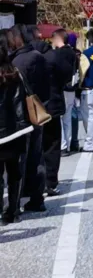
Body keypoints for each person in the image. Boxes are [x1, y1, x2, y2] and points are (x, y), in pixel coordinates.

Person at [7, 25, 50, 212]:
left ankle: (16, 202)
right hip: (36, 111)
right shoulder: (38, 56)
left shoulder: (15, 62)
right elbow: (47, 86)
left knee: (20, 160)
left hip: (19, 117)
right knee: (37, 156)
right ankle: (37, 197)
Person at [0, 49, 33, 225]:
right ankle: (13, 211)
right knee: (14, 173)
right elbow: (25, 97)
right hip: (16, 130)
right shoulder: (15, 73)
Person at [42, 29, 75, 196]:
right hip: (54, 102)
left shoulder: (41, 57)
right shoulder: (60, 56)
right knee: (53, 142)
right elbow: (67, 75)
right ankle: (50, 182)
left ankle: (37, 183)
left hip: (35, 106)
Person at [62, 33, 81, 155]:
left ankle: (64, 144)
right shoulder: (77, 54)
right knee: (72, 116)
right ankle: (73, 142)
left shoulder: (61, 53)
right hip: (74, 89)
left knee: (63, 117)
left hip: (64, 88)